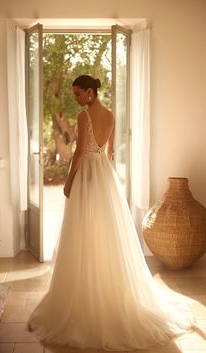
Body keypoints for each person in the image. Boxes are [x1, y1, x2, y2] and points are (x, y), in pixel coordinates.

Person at [28, 75, 195, 351]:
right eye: (74, 94)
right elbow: (108, 152)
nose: (76, 99)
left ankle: (87, 293)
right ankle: (105, 288)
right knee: (107, 231)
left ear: (90, 92)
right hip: (105, 176)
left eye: (78, 93)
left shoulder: (84, 117)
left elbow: (80, 151)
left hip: (86, 175)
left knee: (84, 230)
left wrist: (69, 181)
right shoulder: (110, 115)